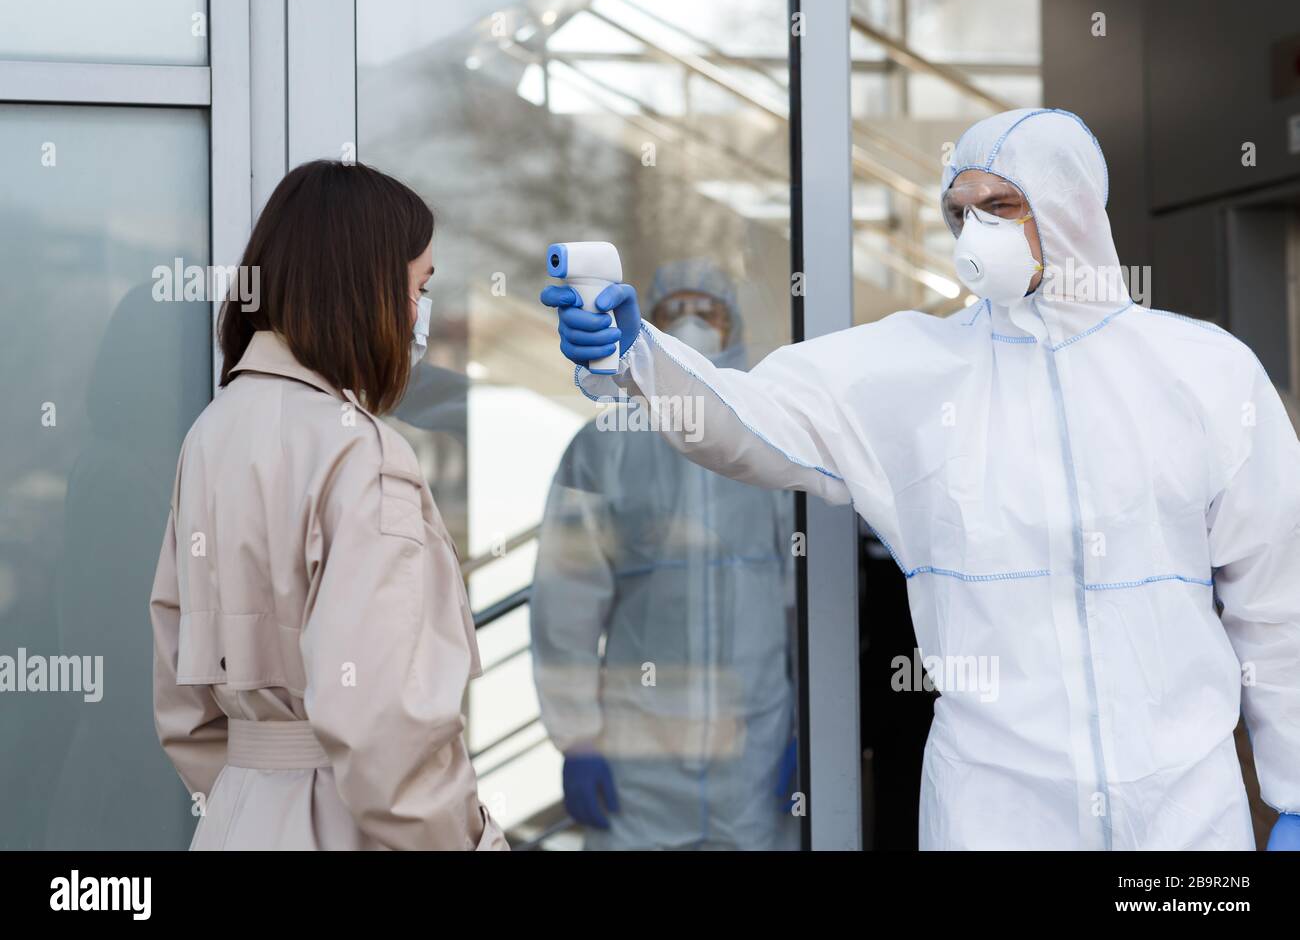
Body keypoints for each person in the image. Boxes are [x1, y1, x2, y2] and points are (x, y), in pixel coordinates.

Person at [541, 108, 1300, 851]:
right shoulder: (913, 370)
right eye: (959, 213)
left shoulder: (1203, 371)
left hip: (1182, 811)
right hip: (994, 810)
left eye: (1000, 206)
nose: (975, 234)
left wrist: (1295, 794)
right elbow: (752, 420)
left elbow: (1278, 604)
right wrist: (636, 356)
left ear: (1069, 208)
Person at [150, 160, 507, 850]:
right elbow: (390, 743)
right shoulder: (362, 456)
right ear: (366, 285)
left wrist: (256, 790)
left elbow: (183, 706)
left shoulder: (214, 432)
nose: (420, 311)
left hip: (234, 822)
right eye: (418, 285)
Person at [531, 261, 800, 850]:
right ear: (651, 324)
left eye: (709, 310)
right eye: (675, 310)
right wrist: (578, 740)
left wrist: (810, 721)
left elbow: (803, 600)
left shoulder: (769, 437)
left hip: (754, 748)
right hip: (638, 758)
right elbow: (565, 605)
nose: (693, 323)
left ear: (735, 328)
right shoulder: (604, 446)